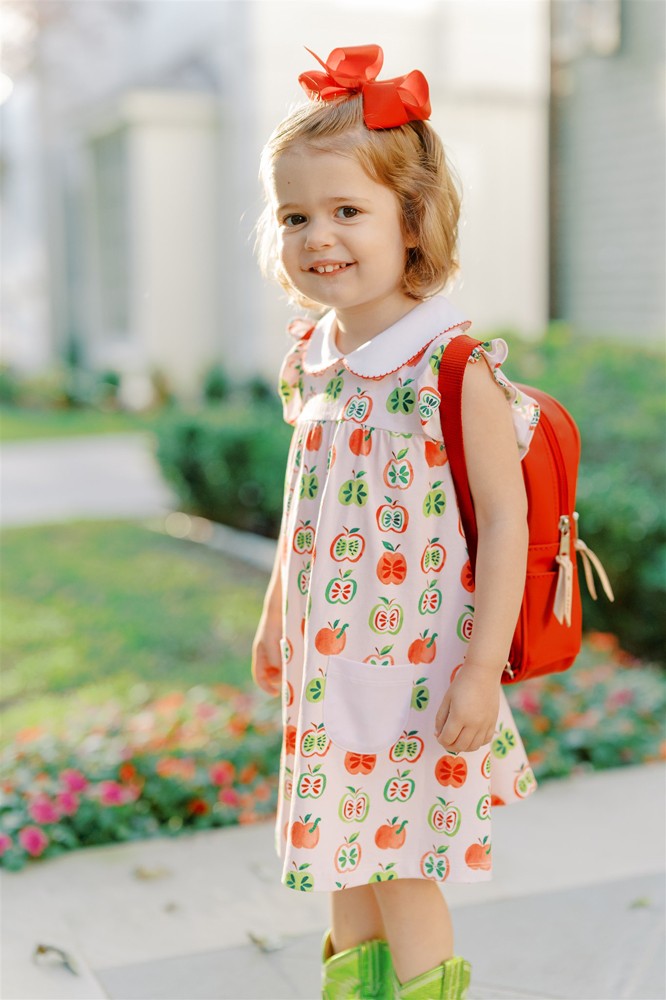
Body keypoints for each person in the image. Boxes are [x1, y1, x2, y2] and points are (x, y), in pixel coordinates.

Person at [251, 44, 541, 1000]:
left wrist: (480, 669)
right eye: (297, 215)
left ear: (412, 224)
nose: (318, 237)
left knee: (402, 864)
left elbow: (506, 521)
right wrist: (274, 612)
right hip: (332, 664)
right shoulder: (317, 360)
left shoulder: (452, 370)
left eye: (347, 212)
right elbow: (308, 503)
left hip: (419, 672)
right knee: (344, 861)